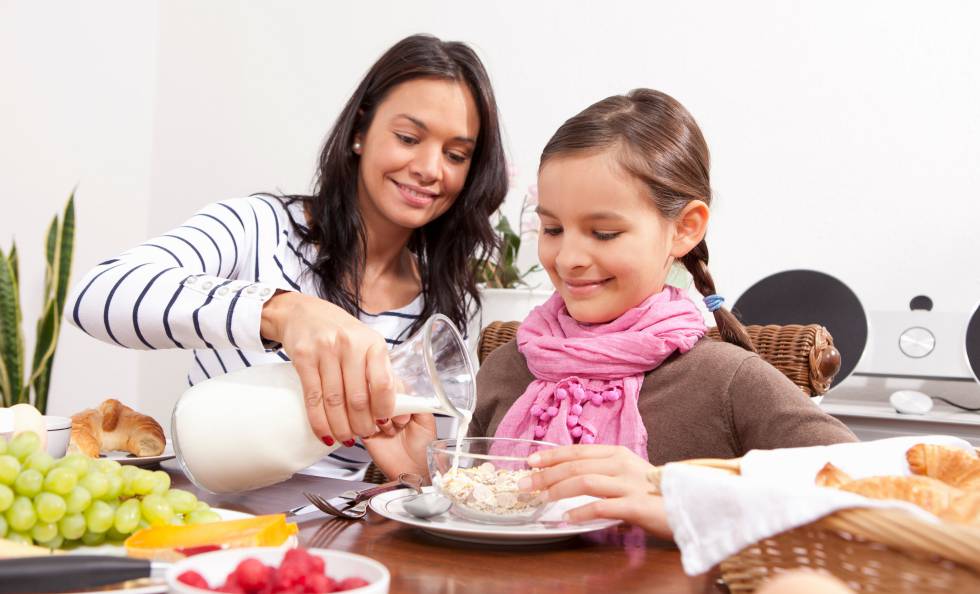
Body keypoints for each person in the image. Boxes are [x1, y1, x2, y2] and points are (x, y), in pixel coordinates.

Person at [364, 88, 856, 497]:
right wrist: (425, 479)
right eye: (553, 229)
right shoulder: (508, 367)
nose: (569, 258)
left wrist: (668, 490)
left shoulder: (728, 381)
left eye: (603, 233)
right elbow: (481, 511)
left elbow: (869, 485)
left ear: (685, 228)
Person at [65, 34, 508, 479]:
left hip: (330, 520)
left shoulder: (440, 308)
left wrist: (417, 474)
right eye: (408, 137)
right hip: (205, 505)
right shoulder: (258, 229)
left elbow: (433, 475)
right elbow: (97, 295)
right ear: (360, 132)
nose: (430, 169)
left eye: (456, 155)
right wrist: (282, 312)